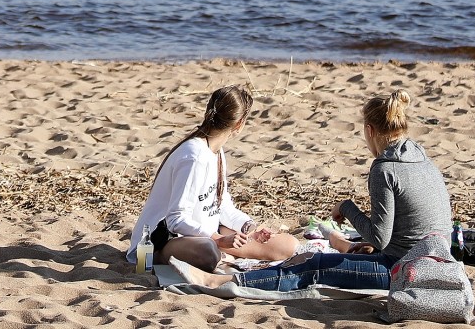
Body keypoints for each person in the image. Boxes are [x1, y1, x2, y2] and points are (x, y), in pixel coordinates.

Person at [169, 89, 451, 292]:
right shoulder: (422, 159)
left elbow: (380, 237)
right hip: (438, 262)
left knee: (312, 265)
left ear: (370, 130)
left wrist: (346, 207)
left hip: (405, 271)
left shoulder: (384, 169)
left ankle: (218, 281)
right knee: (320, 257)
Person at [128, 85, 302, 271]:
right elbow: (176, 219)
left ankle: (225, 251)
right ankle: (162, 258)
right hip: (162, 239)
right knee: (208, 253)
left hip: (208, 234)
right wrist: (218, 238)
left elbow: (222, 206)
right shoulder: (193, 157)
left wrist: (250, 227)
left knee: (288, 245)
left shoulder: (216, 152)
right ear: (239, 124)